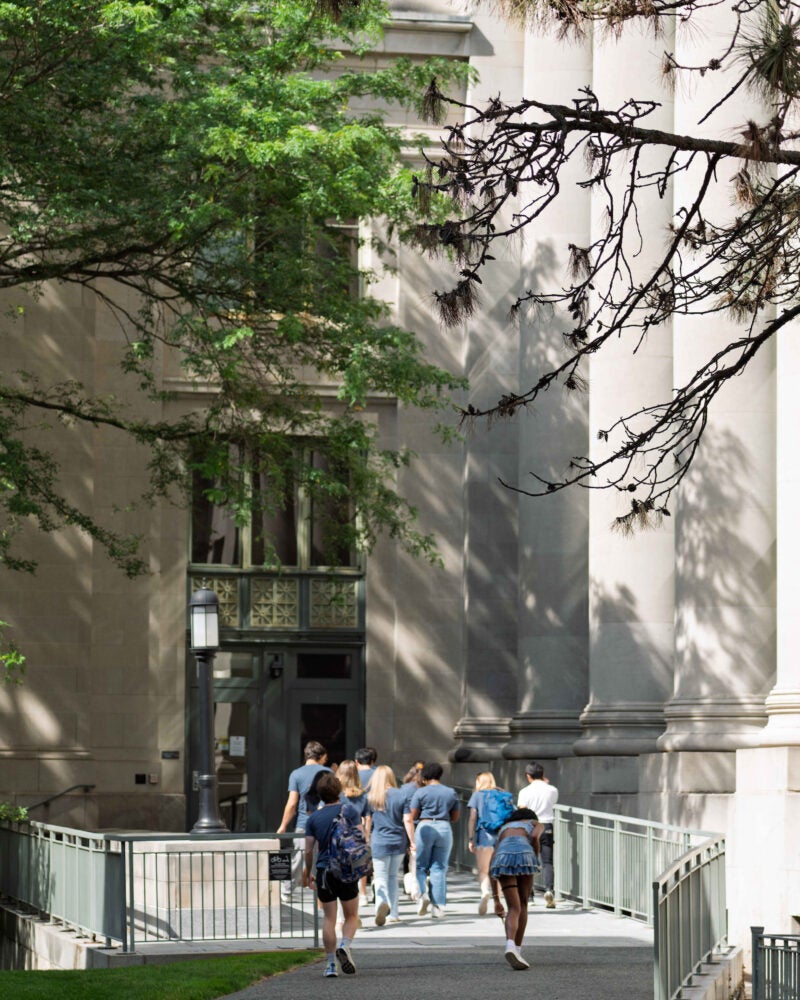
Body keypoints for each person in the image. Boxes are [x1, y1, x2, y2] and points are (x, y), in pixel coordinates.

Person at [304, 773, 360, 978]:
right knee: (351, 915)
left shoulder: (313, 818)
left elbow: (309, 850)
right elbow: (360, 838)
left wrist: (308, 872)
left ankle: (330, 965)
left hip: (324, 870)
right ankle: (345, 945)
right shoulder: (350, 811)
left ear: (320, 794)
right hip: (346, 869)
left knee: (329, 917)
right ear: (339, 790)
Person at [489, 807, 544, 970]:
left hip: (502, 859)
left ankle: (510, 945)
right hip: (525, 855)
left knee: (513, 907)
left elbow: (492, 863)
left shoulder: (503, 830)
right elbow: (534, 836)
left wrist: (496, 900)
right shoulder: (534, 823)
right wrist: (535, 854)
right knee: (523, 905)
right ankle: (517, 950)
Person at [276, 741, 331, 898]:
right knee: (323, 858)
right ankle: (322, 891)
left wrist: (283, 826)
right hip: (324, 824)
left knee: (298, 857)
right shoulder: (327, 772)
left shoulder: (296, 774)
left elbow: (292, 803)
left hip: (303, 824)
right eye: (325, 757)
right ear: (321, 756)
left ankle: (287, 890)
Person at [405, 761, 460, 918]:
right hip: (444, 827)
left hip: (425, 826)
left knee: (421, 866)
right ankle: (438, 906)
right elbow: (455, 817)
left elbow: (413, 815)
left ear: (424, 777)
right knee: (439, 867)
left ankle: (423, 895)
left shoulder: (420, 793)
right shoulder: (451, 792)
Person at [366, 765, 408, 925]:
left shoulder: (371, 797)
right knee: (392, 877)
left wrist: (366, 838)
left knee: (380, 876)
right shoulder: (401, 795)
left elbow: (367, 821)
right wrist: (412, 840)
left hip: (379, 840)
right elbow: (407, 820)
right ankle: (394, 912)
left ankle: (381, 904)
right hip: (398, 840)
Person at [517, 761, 558, 908]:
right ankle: (549, 890)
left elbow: (522, 809)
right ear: (543, 774)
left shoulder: (524, 792)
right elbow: (553, 802)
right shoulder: (552, 789)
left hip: (530, 826)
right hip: (546, 825)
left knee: (529, 861)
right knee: (547, 861)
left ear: (528, 776)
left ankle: (530, 896)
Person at [337, 759, 372, 917]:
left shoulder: (336, 794)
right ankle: (353, 914)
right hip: (357, 837)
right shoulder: (362, 795)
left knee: (339, 878)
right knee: (355, 876)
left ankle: (339, 917)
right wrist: (367, 837)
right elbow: (367, 818)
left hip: (338, 839)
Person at [468, 771, 503, 914]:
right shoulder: (502, 794)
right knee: (498, 871)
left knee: (484, 870)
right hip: (501, 835)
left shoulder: (477, 795)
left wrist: (471, 838)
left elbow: (472, 818)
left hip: (484, 834)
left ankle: (484, 892)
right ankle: (498, 901)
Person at [400, 762, 424, 896]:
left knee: (407, 855)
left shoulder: (404, 788)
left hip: (407, 823)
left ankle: (407, 883)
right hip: (421, 823)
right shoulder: (423, 788)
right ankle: (420, 883)